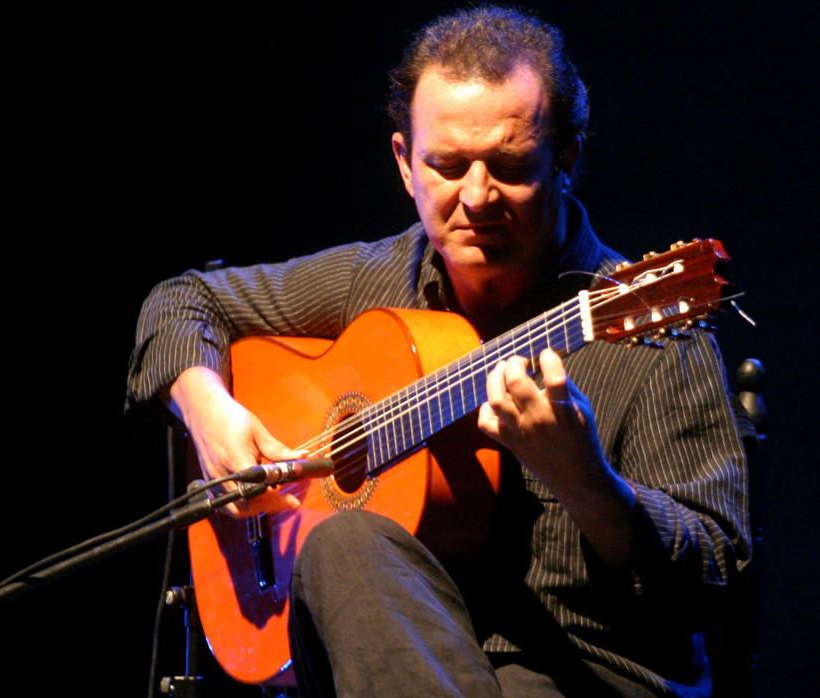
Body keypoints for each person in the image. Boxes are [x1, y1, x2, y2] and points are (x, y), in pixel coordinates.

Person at [127, 6, 750, 696]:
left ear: (566, 158)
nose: (477, 197)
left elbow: (719, 573)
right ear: (403, 163)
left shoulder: (656, 332)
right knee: (345, 542)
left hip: (586, 675)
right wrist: (208, 411)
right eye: (448, 167)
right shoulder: (379, 278)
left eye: (510, 167)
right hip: (390, 659)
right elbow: (183, 301)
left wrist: (588, 480)